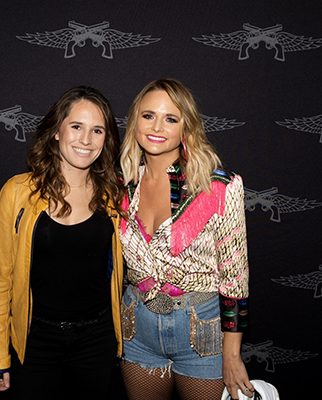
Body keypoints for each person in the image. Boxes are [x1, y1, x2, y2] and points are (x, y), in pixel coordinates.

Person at [0, 86, 125, 399]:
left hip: (96, 341)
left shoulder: (115, 196)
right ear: (57, 131)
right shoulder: (17, 192)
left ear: (106, 138)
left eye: (97, 130)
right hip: (36, 342)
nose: (86, 140)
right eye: (76, 126)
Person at [118, 79, 253, 400]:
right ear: (135, 120)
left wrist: (232, 356)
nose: (157, 127)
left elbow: (235, 281)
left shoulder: (217, 186)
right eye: (148, 115)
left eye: (171, 118)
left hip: (200, 333)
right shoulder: (122, 183)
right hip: (136, 327)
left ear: (186, 128)